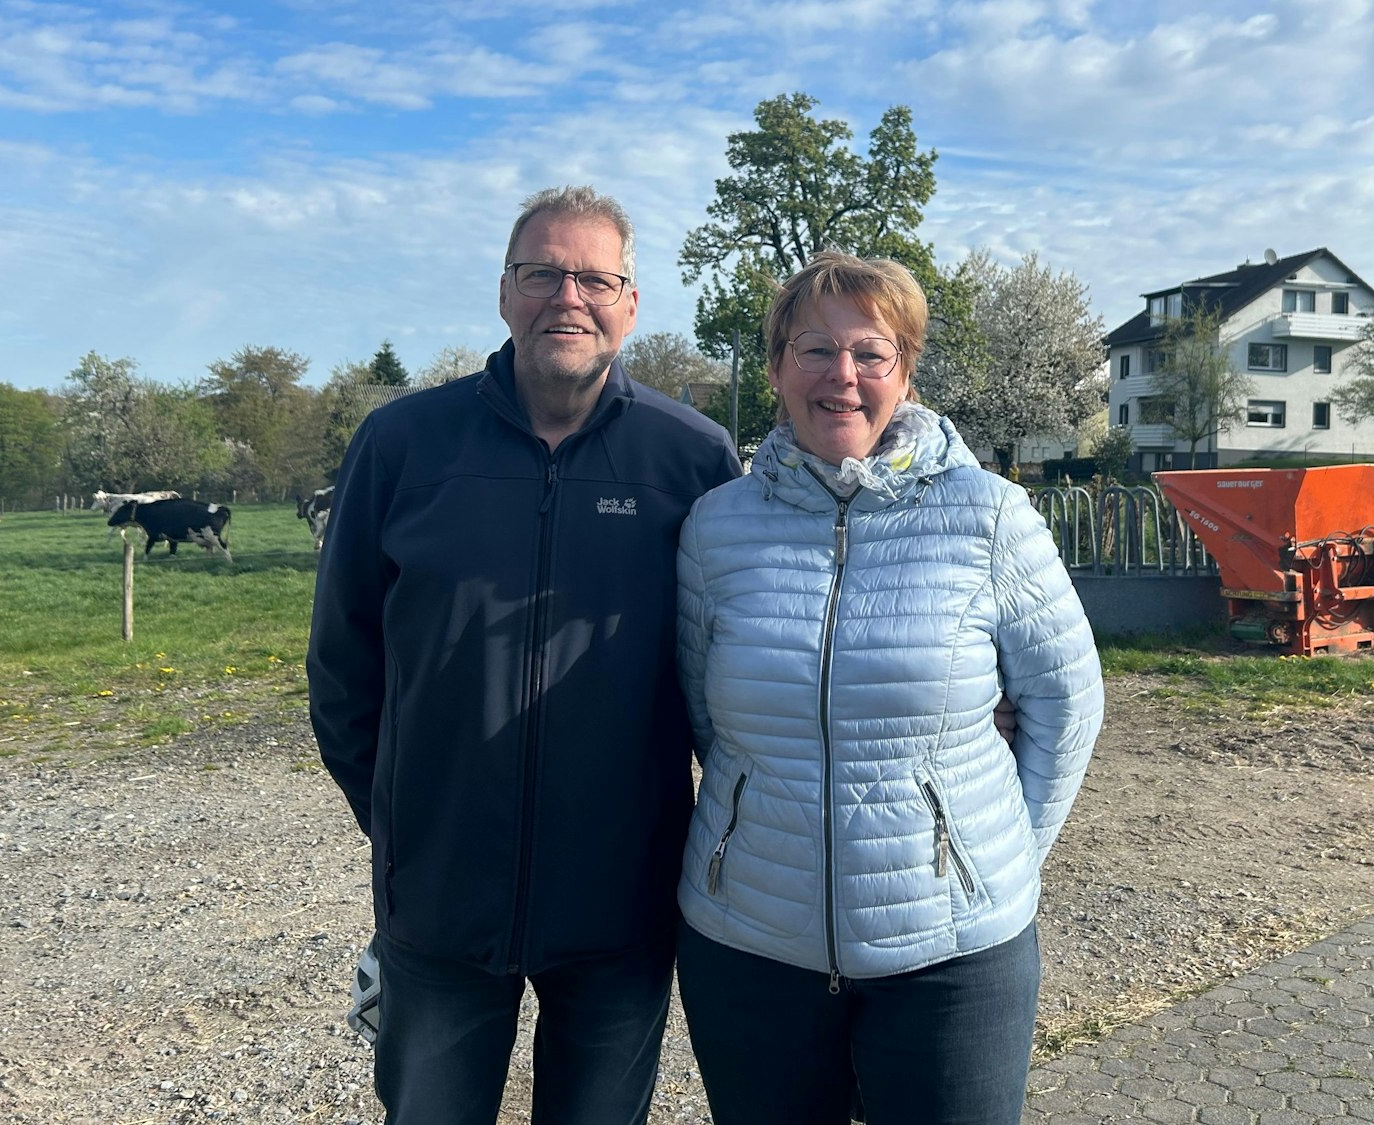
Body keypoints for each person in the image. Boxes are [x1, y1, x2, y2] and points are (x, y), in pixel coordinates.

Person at [306, 184, 741, 1124]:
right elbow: (344, 667)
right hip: (440, 902)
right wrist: (404, 819)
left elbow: (736, 661)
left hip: (622, 905)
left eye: (594, 277)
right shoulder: (401, 444)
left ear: (630, 303)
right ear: (504, 293)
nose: (567, 297)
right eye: (542, 272)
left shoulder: (694, 460)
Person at [672, 251, 1104, 1124]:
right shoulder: (716, 527)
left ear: (904, 372)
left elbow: (1067, 700)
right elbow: (706, 716)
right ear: (775, 368)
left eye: (871, 352)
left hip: (952, 959)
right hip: (751, 943)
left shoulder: (987, 513)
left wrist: (996, 857)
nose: (843, 376)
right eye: (813, 350)